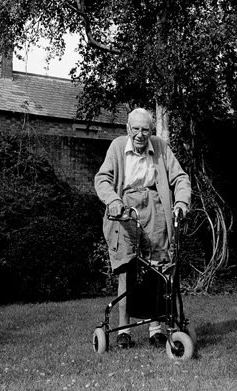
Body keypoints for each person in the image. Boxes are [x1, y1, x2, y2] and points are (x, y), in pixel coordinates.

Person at [95, 108, 191, 348]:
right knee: (128, 268)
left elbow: (180, 178)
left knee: (157, 268)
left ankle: (155, 329)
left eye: (145, 130)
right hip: (125, 211)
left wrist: (180, 202)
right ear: (128, 129)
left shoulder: (160, 147)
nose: (140, 134)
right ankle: (124, 331)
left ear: (151, 131)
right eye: (135, 129)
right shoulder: (117, 147)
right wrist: (113, 201)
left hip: (155, 210)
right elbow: (102, 179)